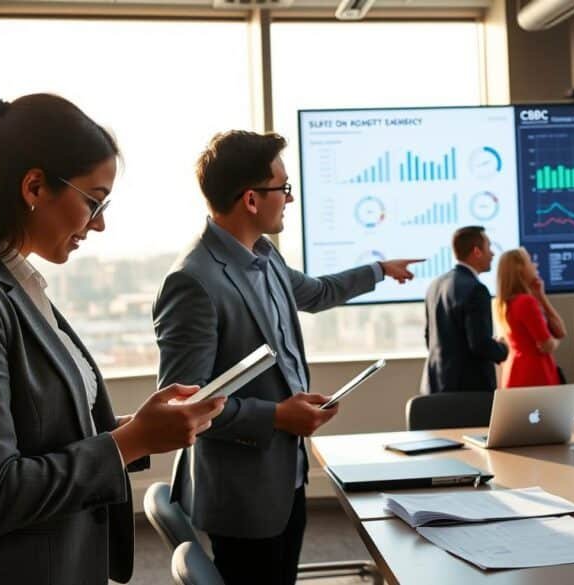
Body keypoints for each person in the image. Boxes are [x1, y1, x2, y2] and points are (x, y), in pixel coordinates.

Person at [0, 94, 225, 585]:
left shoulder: (13, 285)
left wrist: (141, 428)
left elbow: (40, 431)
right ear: (34, 186)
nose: (99, 223)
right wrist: (131, 439)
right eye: (93, 201)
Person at [152, 130, 419, 585]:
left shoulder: (265, 257)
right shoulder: (194, 281)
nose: (289, 200)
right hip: (241, 494)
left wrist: (378, 270)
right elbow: (185, 408)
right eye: (284, 188)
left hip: (283, 477)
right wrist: (277, 416)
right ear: (252, 200)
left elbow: (316, 293)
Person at [424, 226, 509, 393]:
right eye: (489, 248)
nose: (492, 254)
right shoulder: (475, 289)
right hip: (469, 392)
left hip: (437, 388)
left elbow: (429, 338)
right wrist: (503, 348)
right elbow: (480, 344)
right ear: (477, 251)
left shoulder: (435, 285)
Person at [493, 248, 565, 388]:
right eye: (530, 262)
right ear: (520, 269)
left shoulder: (503, 304)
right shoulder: (526, 302)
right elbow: (547, 344)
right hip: (535, 375)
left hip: (514, 373)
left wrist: (540, 297)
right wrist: (555, 341)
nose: (535, 265)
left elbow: (560, 331)